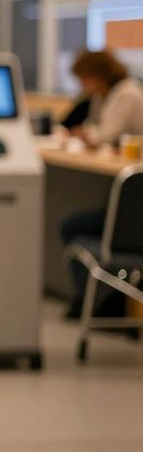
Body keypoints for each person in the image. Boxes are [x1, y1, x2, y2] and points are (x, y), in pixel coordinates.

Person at [59, 49, 143, 318]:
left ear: (97, 75)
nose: (83, 86)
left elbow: (102, 135)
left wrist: (88, 135)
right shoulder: (104, 96)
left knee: (73, 227)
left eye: (85, 79)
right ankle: (97, 301)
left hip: (133, 209)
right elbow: (89, 126)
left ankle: (94, 303)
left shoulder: (127, 94)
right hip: (127, 202)